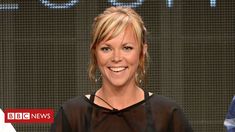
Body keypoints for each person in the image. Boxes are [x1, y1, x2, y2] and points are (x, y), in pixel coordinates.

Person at [51, 6, 193, 132]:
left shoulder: (167, 114)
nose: (116, 57)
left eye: (127, 48)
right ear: (95, 53)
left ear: (142, 52)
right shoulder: (71, 115)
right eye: (106, 49)